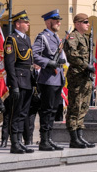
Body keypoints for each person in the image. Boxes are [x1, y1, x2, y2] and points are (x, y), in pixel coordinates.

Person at [33, 9, 66, 151]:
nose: (59, 23)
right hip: (48, 79)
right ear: (48, 22)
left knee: (53, 111)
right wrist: (48, 63)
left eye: (59, 20)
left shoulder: (56, 38)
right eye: (56, 20)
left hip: (57, 78)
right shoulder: (43, 37)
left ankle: (49, 138)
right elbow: (34, 55)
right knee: (47, 110)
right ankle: (44, 140)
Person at [4, 10, 35, 154]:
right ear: (18, 24)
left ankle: (20, 141)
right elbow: (10, 64)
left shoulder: (27, 39)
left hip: (28, 79)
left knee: (23, 113)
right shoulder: (11, 39)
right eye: (25, 22)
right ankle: (14, 143)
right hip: (18, 79)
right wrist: (13, 84)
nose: (28, 24)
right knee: (15, 112)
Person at [63, 13, 96, 149]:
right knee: (75, 107)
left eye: (87, 22)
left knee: (84, 107)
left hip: (85, 77)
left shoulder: (86, 37)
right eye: (85, 22)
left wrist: (90, 64)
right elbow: (72, 55)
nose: (88, 24)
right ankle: (74, 138)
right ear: (77, 24)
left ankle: (80, 136)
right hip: (77, 76)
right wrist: (85, 65)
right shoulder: (73, 37)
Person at [24, 64, 42, 146]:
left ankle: (43, 139)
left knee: (43, 121)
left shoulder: (44, 72)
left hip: (42, 100)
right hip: (31, 100)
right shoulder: (30, 71)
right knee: (30, 121)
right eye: (35, 63)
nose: (36, 65)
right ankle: (29, 139)